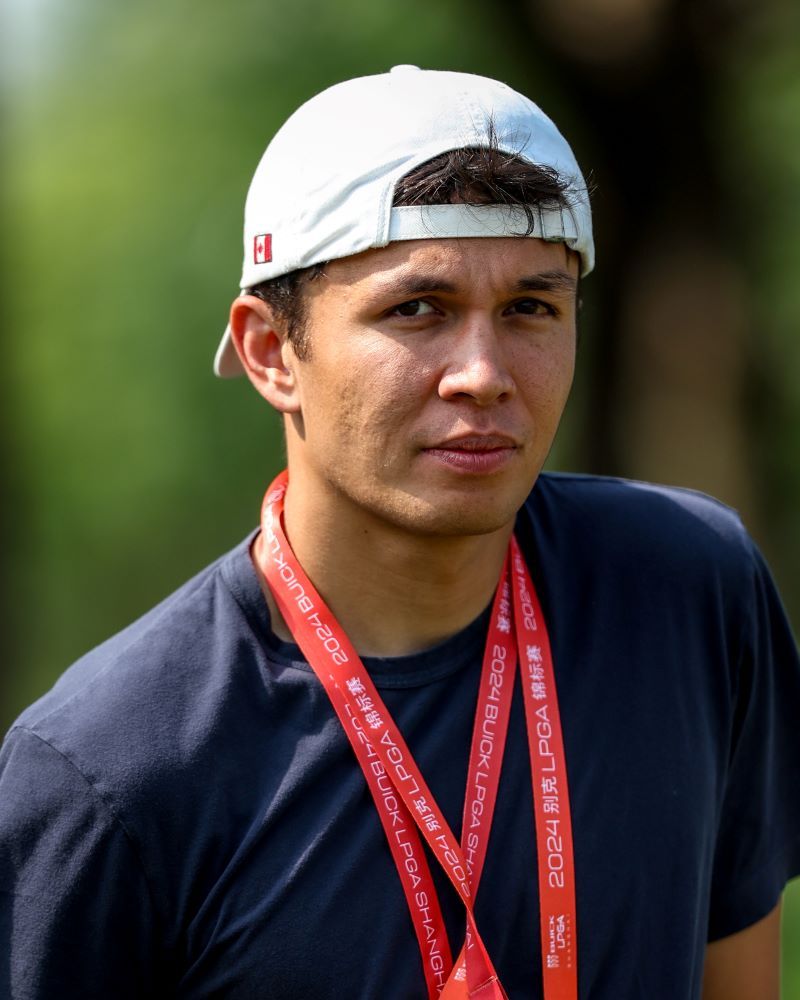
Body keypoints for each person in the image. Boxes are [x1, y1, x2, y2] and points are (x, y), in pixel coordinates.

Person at [1, 66, 798, 1000]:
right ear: (270, 351)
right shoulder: (104, 772)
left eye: (531, 307)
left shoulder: (689, 592)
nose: (483, 374)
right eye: (417, 309)